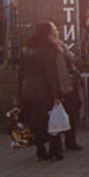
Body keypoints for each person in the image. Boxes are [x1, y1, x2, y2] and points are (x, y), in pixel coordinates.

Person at [19, 21, 66, 161]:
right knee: (51, 120)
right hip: (44, 90)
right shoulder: (49, 50)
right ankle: (54, 150)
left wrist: (19, 91)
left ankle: (40, 149)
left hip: (28, 89)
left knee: (36, 121)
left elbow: (21, 72)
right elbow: (51, 74)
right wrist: (57, 94)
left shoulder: (26, 49)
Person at [56, 40, 83, 151]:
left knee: (65, 114)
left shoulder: (59, 47)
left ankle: (64, 142)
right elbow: (71, 58)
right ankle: (68, 141)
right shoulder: (56, 49)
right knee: (67, 113)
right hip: (63, 86)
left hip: (59, 86)